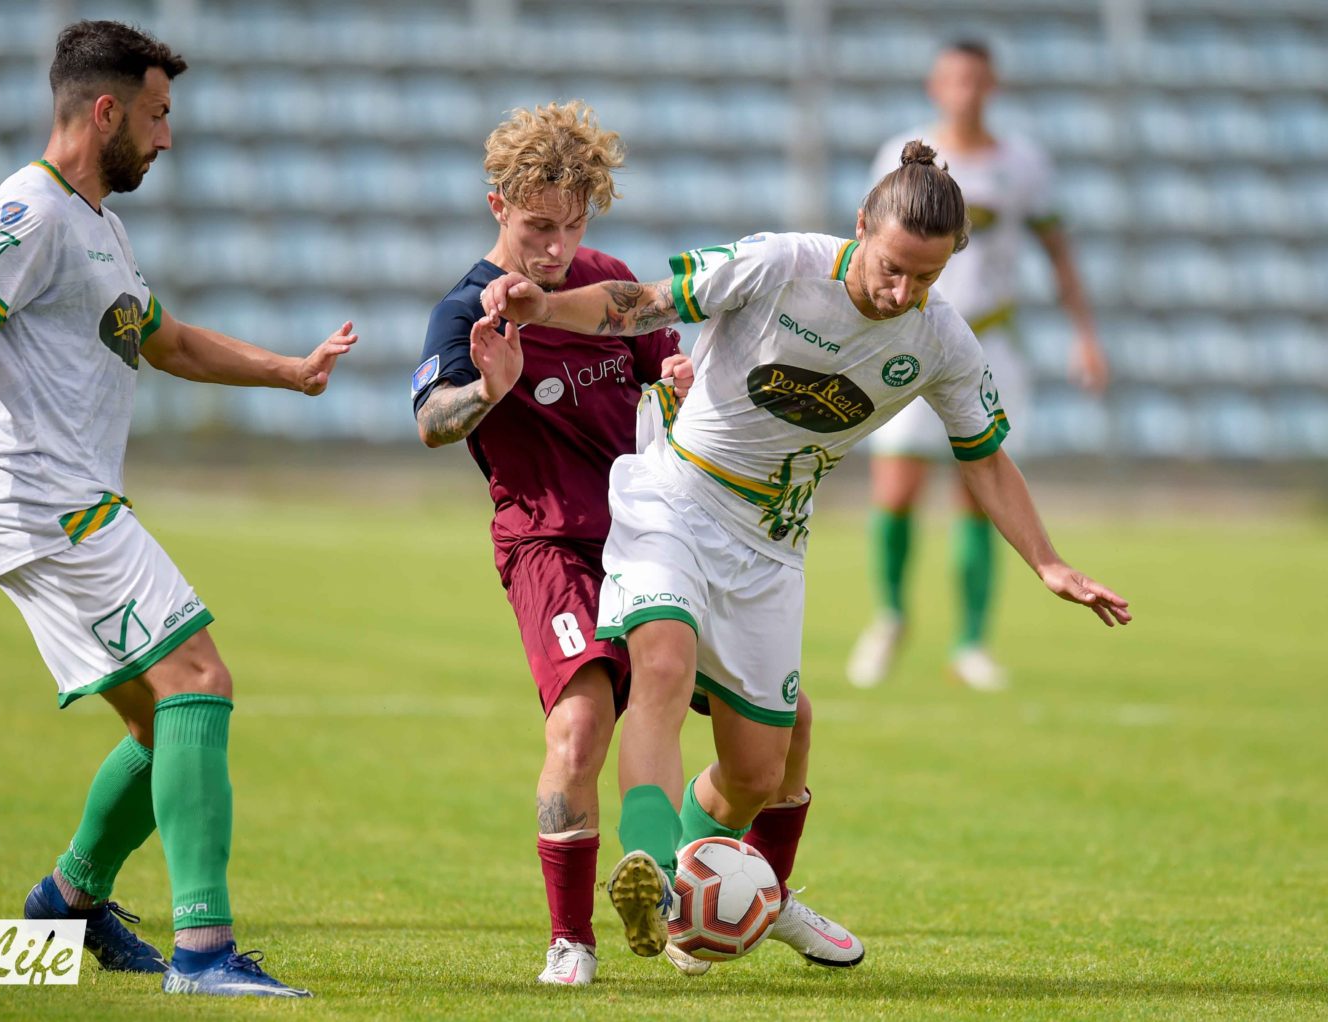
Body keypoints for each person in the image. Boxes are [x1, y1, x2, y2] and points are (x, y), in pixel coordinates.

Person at [479, 141, 1131, 961]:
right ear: (861, 227)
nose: (902, 292)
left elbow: (986, 460)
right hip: (677, 495)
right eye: (892, 268)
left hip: (771, 544)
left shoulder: (942, 341)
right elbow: (640, 304)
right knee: (661, 669)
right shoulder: (781, 264)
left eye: (926, 278)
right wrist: (545, 308)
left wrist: (1048, 562)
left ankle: (707, 891)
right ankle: (653, 867)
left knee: (759, 771)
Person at [0, 21, 355, 998]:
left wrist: (291, 370)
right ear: (107, 111)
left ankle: (66, 903)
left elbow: (169, 343)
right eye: (157, 115)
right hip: (45, 499)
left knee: (167, 723)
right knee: (199, 676)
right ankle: (203, 953)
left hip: (62, 500)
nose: (167, 137)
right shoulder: (31, 212)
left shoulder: (99, 228)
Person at [413, 101, 860, 984]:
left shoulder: (604, 282)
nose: (555, 248)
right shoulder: (466, 312)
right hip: (553, 546)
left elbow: (666, 371)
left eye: (572, 226)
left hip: (659, 528)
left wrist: (681, 376)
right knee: (581, 728)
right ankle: (571, 940)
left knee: (791, 727)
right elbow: (431, 421)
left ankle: (751, 892)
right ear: (497, 205)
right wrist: (488, 391)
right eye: (537, 227)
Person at [848, 40, 1110, 691]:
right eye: (954, 79)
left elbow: (1058, 250)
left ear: (992, 86)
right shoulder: (898, 153)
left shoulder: (1023, 163)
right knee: (896, 489)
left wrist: (1084, 334)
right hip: (907, 336)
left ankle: (969, 642)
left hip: (987, 343)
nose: (965, 91)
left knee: (979, 489)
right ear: (936, 86)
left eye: (976, 80)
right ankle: (890, 617)